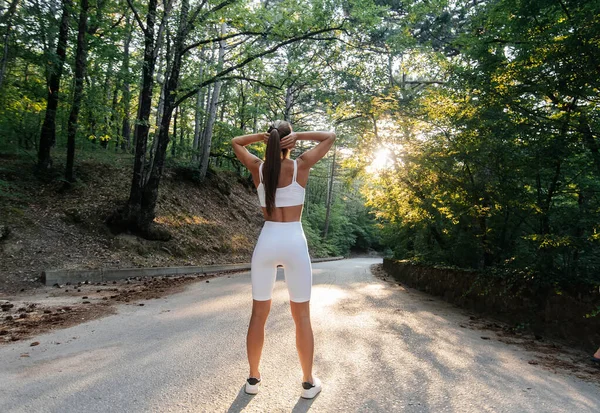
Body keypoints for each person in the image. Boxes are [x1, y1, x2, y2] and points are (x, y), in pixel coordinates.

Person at [231, 120, 335, 399]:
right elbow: (329, 136)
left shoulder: (258, 168)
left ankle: (253, 379)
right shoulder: (301, 165)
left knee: (258, 315)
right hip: (294, 242)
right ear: (290, 143)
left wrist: (264, 137)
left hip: (267, 241)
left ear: (268, 142)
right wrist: (299, 136)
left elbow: (236, 142)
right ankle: (308, 383)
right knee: (301, 316)